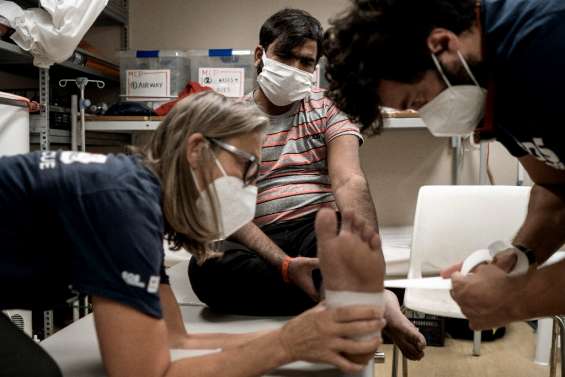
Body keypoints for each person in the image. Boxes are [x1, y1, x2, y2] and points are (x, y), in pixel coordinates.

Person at [0, 91, 387, 377]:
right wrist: (287, 345)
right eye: (247, 167)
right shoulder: (122, 204)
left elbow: (175, 339)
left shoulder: (138, 199)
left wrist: (304, 339)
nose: (251, 187)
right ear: (197, 150)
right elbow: (146, 374)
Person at [188, 8, 426, 360]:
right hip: (255, 239)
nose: (297, 70)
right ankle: (358, 298)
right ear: (260, 55)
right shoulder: (229, 117)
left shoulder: (328, 107)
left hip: (314, 228)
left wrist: (367, 258)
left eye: (306, 63)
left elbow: (348, 179)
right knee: (205, 271)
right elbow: (227, 207)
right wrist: (284, 264)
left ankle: (357, 292)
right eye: (286, 56)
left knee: (340, 241)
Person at [323, 0, 565, 330]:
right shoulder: (488, 81)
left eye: (419, 101)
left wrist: (512, 299)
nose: (430, 119)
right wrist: (520, 256)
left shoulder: (547, 47)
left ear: (443, 44)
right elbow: (555, 188)